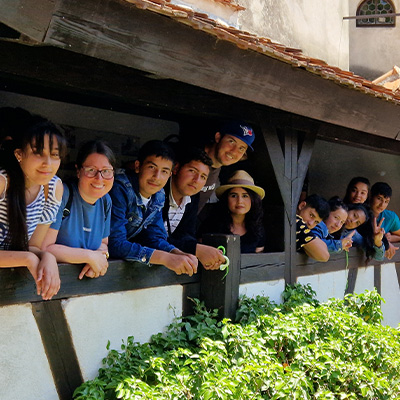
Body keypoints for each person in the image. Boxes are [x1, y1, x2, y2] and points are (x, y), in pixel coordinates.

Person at [108, 140, 198, 276]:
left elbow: (155, 236)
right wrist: (165, 258)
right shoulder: (120, 189)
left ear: (170, 175)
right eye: (152, 168)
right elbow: (115, 244)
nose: (157, 177)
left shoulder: (158, 195)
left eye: (164, 171)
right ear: (138, 166)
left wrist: (177, 253)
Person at [0, 118, 66, 300]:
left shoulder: (52, 189)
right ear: (19, 154)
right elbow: (29, 254)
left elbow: (34, 245)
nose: (48, 163)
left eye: (55, 155)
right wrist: (27, 258)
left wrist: (48, 257)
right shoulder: (2, 184)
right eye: (38, 153)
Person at [42, 141, 115, 279]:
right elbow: (44, 247)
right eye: (91, 170)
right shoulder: (62, 194)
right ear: (78, 171)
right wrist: (89, 256)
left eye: (106, 171)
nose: (99, 178)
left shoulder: (106, 201)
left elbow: (103, 243)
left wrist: (100, 257)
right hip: (52, 281)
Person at [162, 146, 226, 269]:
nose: (196, 180)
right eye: (192, 171)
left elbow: (186, 234)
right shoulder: (158, 193)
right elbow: (151, 238)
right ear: (176, 168)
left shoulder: (192, 197)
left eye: (203, 177)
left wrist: (201, 252)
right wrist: (195, 249)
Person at [198, 170, 265, 253]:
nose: (239, 201)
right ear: (226, 199)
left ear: (253, 200)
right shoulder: (211, 225)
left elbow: (258, 261)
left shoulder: (258, 229)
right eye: (234, 195)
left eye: (245, 196)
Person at [198, 121, 256, 215]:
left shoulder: (218, 168)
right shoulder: (193, 160)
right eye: (231, 141)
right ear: (218, 137)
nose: (234, 151)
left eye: (241, 148)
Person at [370, 182, 400, 259]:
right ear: (370, 196)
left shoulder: (391, 217)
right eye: (379, 199)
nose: (382, 205)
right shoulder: (361, 213)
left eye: (386, 201)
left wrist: (390, 238)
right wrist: (385, 243)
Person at [296, 194, 330, 262]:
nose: (311, 223)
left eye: (316, 222)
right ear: (302, 206)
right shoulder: (297, 222)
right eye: (311, 215)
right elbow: (324, 256)